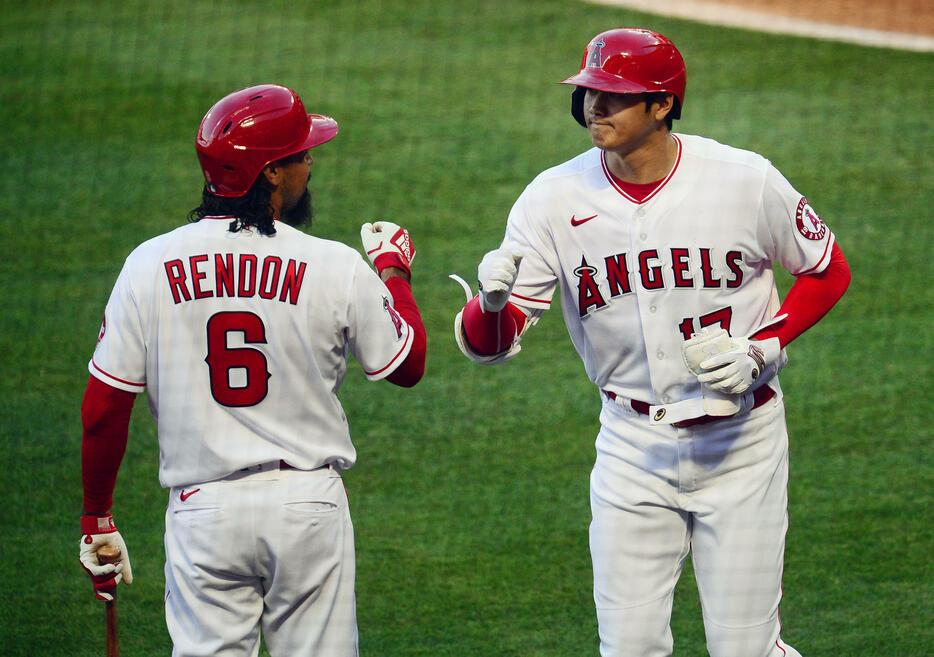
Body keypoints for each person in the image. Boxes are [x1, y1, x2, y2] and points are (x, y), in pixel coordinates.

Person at [452, 28, 850, 657]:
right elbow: (489, 346)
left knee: (743, 649)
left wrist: (762, 347)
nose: (594, 108)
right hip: (632, 449)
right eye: (588, 93)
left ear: (663, 104)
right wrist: (491, 306)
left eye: (613, 95)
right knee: (628, 648)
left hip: (741, 443)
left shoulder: (743, 179)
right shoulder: (552, 198)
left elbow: (827, 269)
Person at [79, 84, 426, 656]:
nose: (310, 163)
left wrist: (97, 514)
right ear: (269, 174)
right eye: (300, 154)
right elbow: (407, 365)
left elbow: (104, 408)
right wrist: (393, 272)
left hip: (204, 512)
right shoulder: (332, 263)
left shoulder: (148, 265)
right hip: (307, 508)